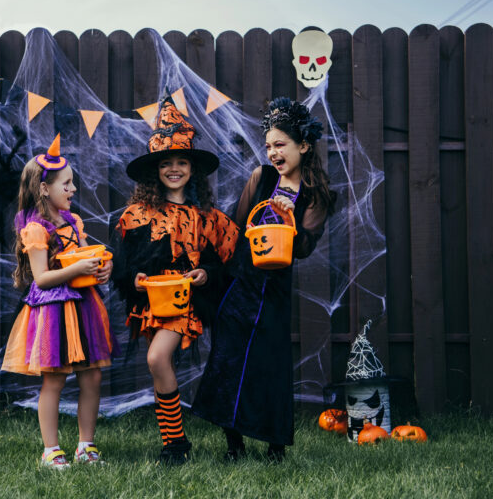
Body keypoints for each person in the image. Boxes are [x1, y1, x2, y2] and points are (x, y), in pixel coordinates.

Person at [192, 97, 336, 461]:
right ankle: (234, 445)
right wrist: (211, 273)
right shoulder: (261, 178)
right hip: (239, 287)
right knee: (228, 362)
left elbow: (303, 248)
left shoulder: (315, 195)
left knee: (269, 367)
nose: (273, 152)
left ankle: (274, 446)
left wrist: (289, 218)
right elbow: (234, 233)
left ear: (303, 146)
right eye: (269, 145)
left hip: (273, 294)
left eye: (280, 145)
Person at [111, 97, 240, 465]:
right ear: (155, 170)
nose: (174, 169)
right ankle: (173, 442)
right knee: (160, 366)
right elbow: (124, 264)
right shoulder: (136, 215)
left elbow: (230, 261)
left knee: (156, 357)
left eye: (181, 162)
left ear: (192, 169)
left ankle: (176, 445)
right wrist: (132, 279)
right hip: (153, 301)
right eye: (166, 163)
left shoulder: (208, 217)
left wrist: (206, 274)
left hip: (186, 301)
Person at [1, 135, 117, 469]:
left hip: (83, 305)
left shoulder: (74, 222)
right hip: (53, 309)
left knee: (92, 377)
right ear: (44, 188)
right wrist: (78, 268)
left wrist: (100, 267)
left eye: (72, 183)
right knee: (54, 379)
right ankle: (51, 449)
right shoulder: (36, 230)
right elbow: (40, 278)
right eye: (66, 183)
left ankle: (86, 445)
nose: (73, 189)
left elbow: (82, 258)